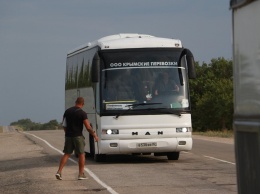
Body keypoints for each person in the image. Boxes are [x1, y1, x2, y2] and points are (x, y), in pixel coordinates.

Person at [55, 97, 98, 180]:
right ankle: (81, 174)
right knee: (81, 154)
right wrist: (94, 135)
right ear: (83, 104)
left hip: (68, 136)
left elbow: (64, 124)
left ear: (75, 102)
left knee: (67, 154)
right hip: (78, 136)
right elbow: (88, 127)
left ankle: (59, 172)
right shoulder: (82, 113)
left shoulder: (67, 111)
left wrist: (67, 133)